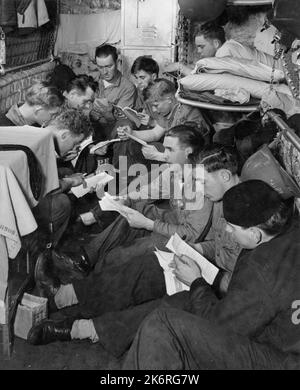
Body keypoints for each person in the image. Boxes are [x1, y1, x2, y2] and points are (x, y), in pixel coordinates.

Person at [26, 147, 243, 355]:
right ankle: (64, 296)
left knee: (171, 305)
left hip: (224, 285)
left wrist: (200, 278)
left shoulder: (250, 210)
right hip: (208, 265)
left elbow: (243, 282)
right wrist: (196, 250)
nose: (200, 189)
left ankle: (81, 329)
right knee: (145, 267)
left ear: (224, 175)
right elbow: (216, 242)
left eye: (203, 182)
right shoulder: (223, 199)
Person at [122, 180, 300, 370]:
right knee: (181, 302)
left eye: (232, 227)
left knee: (162, 323)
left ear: (255, 234)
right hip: (285, 340)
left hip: (283, 360)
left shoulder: (261, 266)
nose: (227, 230)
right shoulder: (291, 230)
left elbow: (217, 326)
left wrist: (196, 282)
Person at [40, 124, 213, 276]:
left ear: (188, 152)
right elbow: (150, 190)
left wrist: (148, 224)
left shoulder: (198, 182)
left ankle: (97, 274)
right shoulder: (176, 169)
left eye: (170, 150)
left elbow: (193, 234)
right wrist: (125, 199)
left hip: (192, 240)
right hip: (176, 221)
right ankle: (85, 257)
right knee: (134, 207)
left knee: (128, 252)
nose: (165, 155)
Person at [33, 109, 93, 247]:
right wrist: (70, 182)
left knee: (65, 171)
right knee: (61, 203)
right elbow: (46, 189)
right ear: (65, 135)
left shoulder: (36, 132)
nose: (74, 149)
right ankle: (45, 251)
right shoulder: (39, 147)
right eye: (74, 144)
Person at [116, 78, 211, 164]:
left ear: (169, 100)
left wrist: (159, 156)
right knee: (133, 145)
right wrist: (131, 133)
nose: (153, 110)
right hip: (175, 153)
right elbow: (155, 133)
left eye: (156, 105)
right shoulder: (168, 110)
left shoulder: (187, 115)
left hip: (196, 162)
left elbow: (189, 156)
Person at [90, 44, 137, 140]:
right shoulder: (91, 80)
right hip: (88, 133)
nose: (104, 72)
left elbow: (122, 122)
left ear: (117, 62)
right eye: (100, 67)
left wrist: (107, 112)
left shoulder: (127, 88)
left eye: (109, 66)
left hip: (111, 136)